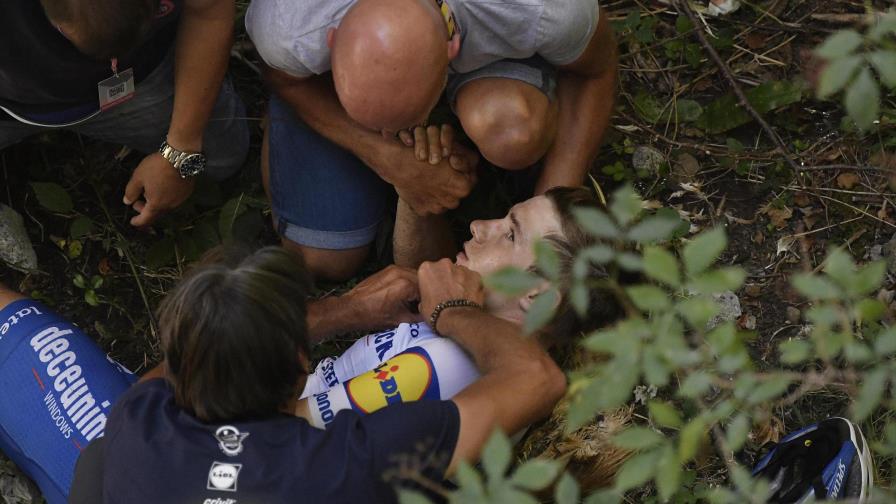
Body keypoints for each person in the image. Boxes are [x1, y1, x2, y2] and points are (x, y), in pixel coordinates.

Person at [65, 246, 564, 503]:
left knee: (96, 463)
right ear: (302, 368)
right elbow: (537, 377)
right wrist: (452, 309)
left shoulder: (140, 421)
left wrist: (345, 312)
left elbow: (184, 357)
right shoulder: (343, 469)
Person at [245, 0, 618, 281]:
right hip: (321, 59)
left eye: (408, 122)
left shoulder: (542, 10)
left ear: (451, 48)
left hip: (487, 36)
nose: (393, 136)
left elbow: (596, 68)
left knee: (512, 133)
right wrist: (385, 156)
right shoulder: (289, 22)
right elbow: (281, 74)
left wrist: (550, 224)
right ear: (332, 38)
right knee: (322, 260)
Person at [295, 187, 620, 427]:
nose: (479, 226)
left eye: (509, 235)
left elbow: (280, 438)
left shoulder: (443, 365)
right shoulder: (474, 355)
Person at [0, 0, 249, 228]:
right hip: (9, 106)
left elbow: (209, 13)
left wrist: (181, 154)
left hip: (141, 79)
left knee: (221, 158)